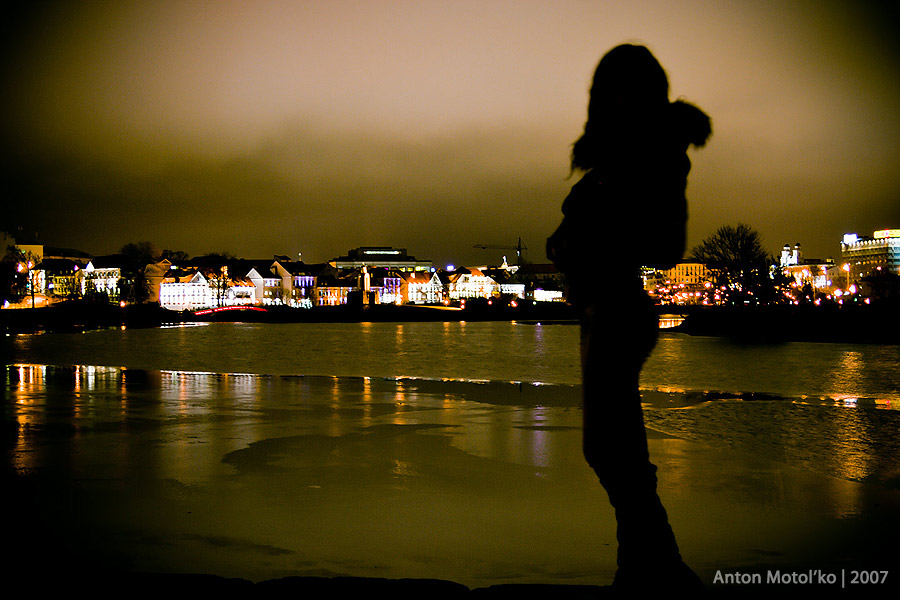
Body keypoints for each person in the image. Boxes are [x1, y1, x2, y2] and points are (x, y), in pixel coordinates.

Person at [546, 44, 711, 590]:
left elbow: (665, 241)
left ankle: (652, 566)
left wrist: (588, 236)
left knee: (611, 448)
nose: (613, 100)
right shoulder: (631, 154)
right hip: (603, 307)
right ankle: (644, 565)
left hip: (616, 307)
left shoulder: (655, 151)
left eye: (623, 90)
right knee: (614, 447)